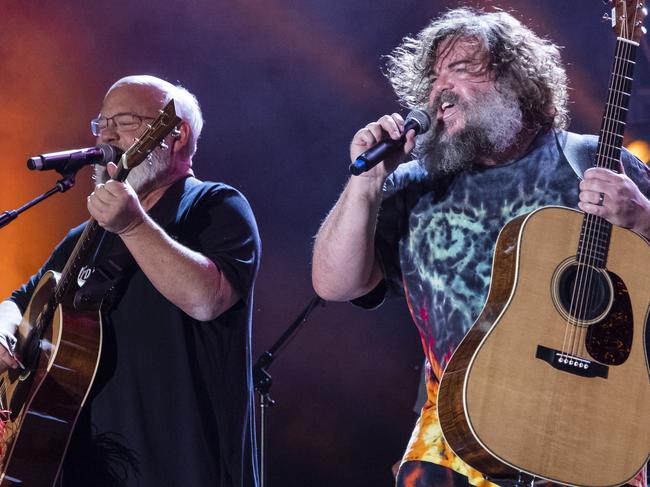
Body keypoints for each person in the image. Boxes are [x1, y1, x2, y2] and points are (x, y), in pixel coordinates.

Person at [311, 8, 649, 487]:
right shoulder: (411, 187)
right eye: (432, 77)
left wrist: (644, 220)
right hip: (454, 451)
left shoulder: (595, 161)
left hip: (591, 437)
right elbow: (334, 285)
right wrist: (365, 184)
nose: (439, 90)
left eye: (462, 70)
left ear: (517, 82)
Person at [0, 75, 260, 487]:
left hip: (181, 466)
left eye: (123, 121)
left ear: (176, 135)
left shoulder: (215, 205)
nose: (106, 136)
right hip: (83, 468)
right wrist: (4, 333)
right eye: (100, 124)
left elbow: (207, 299)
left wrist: (133, 226)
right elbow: (19, 301)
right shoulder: (83, 239)